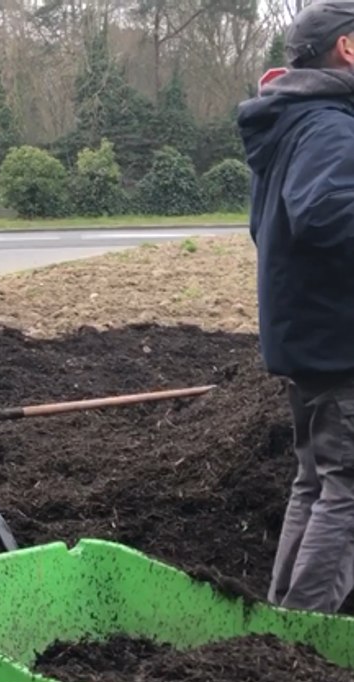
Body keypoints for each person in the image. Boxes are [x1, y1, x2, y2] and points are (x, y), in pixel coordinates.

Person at [237, 0, 354, 612]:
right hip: (338, 343)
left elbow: (268, 225)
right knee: (348, 492)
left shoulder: (292, 121)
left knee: (314, 483)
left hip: (306, 338)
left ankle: (279, 629)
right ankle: (305, 639)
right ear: (348, 47)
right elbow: (326, 214)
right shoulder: (329, 125)